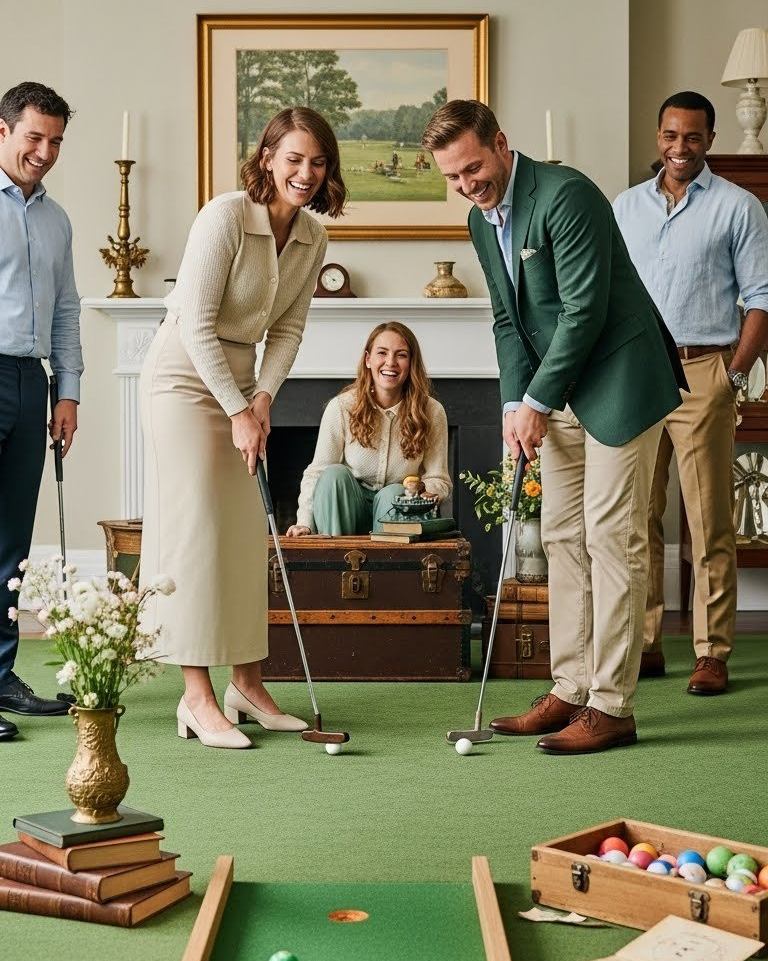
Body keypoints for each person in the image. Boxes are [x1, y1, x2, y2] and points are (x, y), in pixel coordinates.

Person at [422, 99, 686, 755]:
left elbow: (585, 310)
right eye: (453, 177)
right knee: (563, 535)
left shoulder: (566, 196)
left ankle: (613, 705)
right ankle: (570, 686)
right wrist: (517, 403)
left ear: (502, 143)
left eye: (474, 168)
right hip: (556, 390)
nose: (467, 185)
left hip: (620, 379)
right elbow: (509, 321)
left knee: (611, 536)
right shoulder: (481, 223)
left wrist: (537, 399)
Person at [140, 107, 346, 749]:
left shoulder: (313, 236)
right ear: (266, 159)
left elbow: (287, 330)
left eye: (317, 162)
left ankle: (247, 684)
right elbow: (197, 322)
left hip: (239, 380)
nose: (305, 174)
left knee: (243, 533)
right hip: (182, 374)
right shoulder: (224, 215)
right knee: (197, 529)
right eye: (293, 160)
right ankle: (196, 697)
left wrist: (261, 398)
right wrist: (236, 408)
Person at [614, 91, 768, 695]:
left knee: (709, 520)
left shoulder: (739, 207)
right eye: (671, 136)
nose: (681, 148)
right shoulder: (625, 208)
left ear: (710, 138)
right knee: (638, 516)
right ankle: (647, 641)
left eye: (694, 137)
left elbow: (761, 297)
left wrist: (733, 373)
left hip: (706, 370)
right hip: (637, 373)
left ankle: (712, 651)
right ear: (658, 135)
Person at [0, 82, 82, 743]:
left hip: (32, 382)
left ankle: (1, 676)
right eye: (34, 137)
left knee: (11, 545)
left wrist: (69, 391)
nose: (46, 151)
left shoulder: (56, 220)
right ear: (3, 131)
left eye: (55, 140)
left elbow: (65, 311)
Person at [286, 321, 450, 536]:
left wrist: (430, 492)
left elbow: (438, 477)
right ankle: (337, 563)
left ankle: (388, 568)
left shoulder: (431, 411)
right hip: (347, 508)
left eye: (401, 355)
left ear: (412, 363)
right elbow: (317, 472)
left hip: (396, 506)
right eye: (382, 353)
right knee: (333, 474)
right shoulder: (342, 407)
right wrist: (304, 522)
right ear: (368, 360)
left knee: (394, 492)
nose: (390, 362)